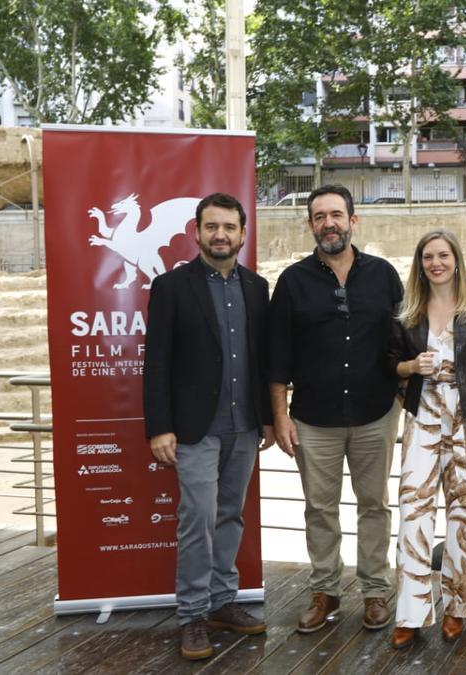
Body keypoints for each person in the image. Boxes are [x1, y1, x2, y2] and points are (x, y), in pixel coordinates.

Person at [143, 192, 275, 661]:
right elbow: (155, 364)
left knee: (230, 516)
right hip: (194, 429)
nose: (221, 235)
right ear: (196, 232)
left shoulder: (258, 288)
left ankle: (223, 603)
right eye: (212, 226)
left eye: (230, 227)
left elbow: (263, 360)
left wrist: (267, 418)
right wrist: (159, 427)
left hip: (243, 427)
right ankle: (193, 615)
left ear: (242, 234)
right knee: (197, 518)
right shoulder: (172, 287)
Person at [268, 184, 403, 633]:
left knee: (374, 506)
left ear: (353, 220)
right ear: (310, 225)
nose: (329, 223)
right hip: (313, 417)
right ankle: (325, 591)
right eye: (320, 216)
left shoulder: (384, 275)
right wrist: (281, 414)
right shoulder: (292, 282)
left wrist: (404, 397)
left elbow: (401, 339)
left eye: (337, 215)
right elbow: (277, 355)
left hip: (375, 412)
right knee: (319, 508)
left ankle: (375, 592)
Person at [385, 230, 466, 649]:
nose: (436, 263)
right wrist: (412, 366)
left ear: (456, 259)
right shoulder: (407, 313)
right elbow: (389, 367)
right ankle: (411, 612)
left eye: (443, 255)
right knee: (414, 511)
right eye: (428, 256)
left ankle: (458, 607)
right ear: (420, 263)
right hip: (422, 418)